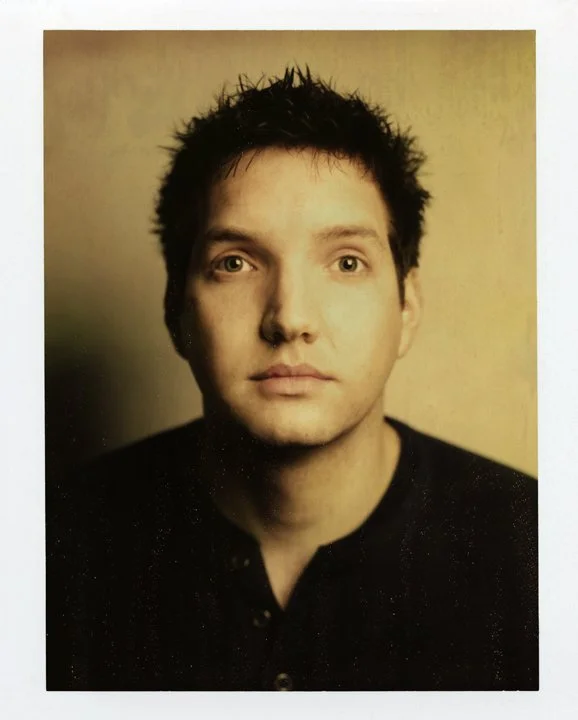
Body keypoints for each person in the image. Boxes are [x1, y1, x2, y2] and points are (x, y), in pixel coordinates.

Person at [46, 66, 538, 691]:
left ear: (407, 309)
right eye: (235, 263)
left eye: (347, 262)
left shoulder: (539, 550)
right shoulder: (49, 545)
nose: (290, 318)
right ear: (176, 312)